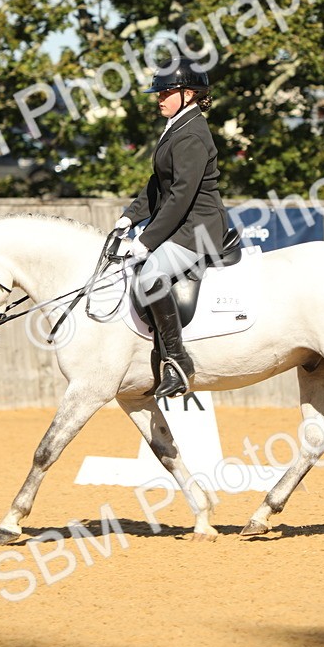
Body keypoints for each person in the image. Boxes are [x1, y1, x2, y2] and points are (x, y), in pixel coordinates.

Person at [114, 57, 230, 398]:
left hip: (199, 229)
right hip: (184, 224)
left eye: (167, 91)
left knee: (149, 276)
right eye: (159, 92)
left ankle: (179, 363)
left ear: (190, 94)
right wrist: (128, 218)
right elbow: (157, 185)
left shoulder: (192, 133)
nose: (159, 97)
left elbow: (181, 196)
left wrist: (147, 240)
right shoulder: (178, 126)